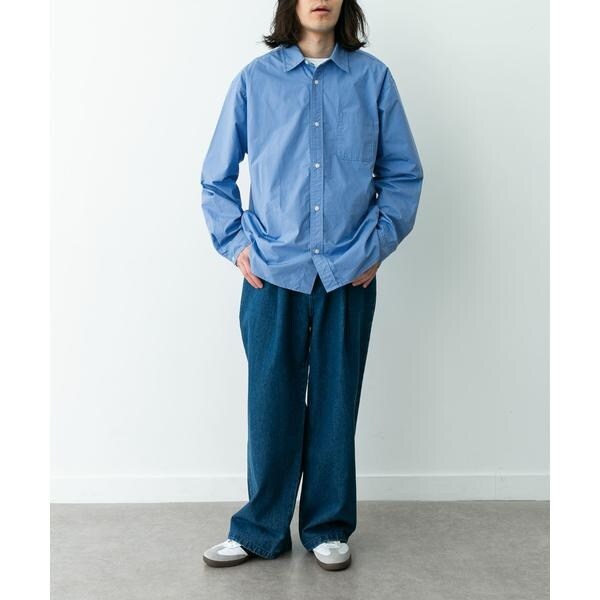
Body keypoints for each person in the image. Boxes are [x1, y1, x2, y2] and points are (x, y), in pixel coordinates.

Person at [200, 0, 423, 571]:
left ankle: (327, 526)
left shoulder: (373, 79)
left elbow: (403, 174)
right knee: (269, 404)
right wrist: (238, 246)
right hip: (272, 273)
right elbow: (216, 177)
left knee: (335, 402)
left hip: (348, 272)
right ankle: (260, 530)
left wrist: (377, 245)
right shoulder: (254, 81)